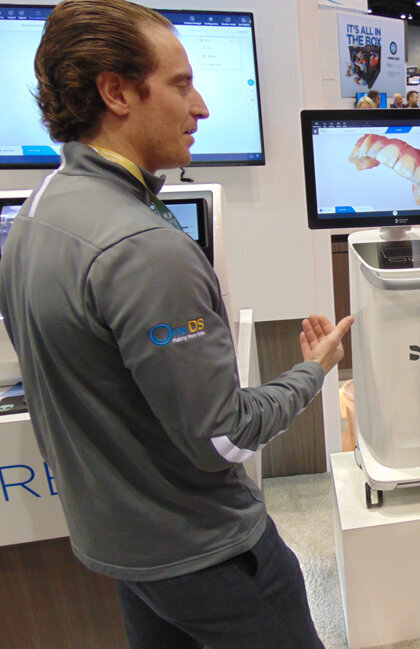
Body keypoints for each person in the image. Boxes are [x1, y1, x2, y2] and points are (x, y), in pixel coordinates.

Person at [0, 1, 353, 647]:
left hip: (127, 549)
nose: (202, 108)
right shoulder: (144, 247)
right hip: (209, 554)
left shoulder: (37, 212)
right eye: (181, 83)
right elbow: (224, 437)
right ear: (116, 91)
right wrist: (315, 368)